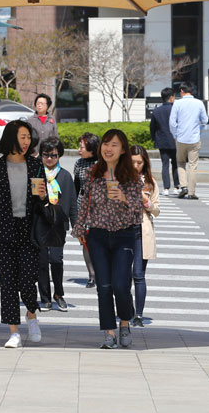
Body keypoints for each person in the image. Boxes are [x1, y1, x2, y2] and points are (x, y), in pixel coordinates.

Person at [0, 120, 44, 348]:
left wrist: (45, 196)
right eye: (22, 137)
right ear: (12, 138)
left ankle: (31, 315)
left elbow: (50, 198)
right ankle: (14, 331)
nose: (26, 142)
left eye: (28, 137)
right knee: (9, 284)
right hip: (3, 231)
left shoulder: (35, 165)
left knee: (27, 280)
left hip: (29, 231)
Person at [72, 129, 144, 349]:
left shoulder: (131, 177)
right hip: (98, 236)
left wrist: (123, 197)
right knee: (103, 286)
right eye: (105, 143)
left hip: (124, 235)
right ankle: (109, 333)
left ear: (122, 149)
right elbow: (84, 203)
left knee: (121, 285)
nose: (108, 148)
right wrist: (79, 230)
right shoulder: (92, 174)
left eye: (114, 144)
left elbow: (138, 212)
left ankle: (125, 321)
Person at [36, 137, 78, 312]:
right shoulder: (37, 174)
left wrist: (76, 225)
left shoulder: (65, 176)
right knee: (42, 261)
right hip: (39, 223)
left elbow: (73, 203)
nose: (49, 159)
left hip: (58, 224)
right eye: (46, 155)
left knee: (56, 259)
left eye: (53, 155)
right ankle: (44, 297)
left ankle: (58, 294)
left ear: (59, 155)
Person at [129, 145, 159, 328]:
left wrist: (146, 202)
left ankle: (139, 315)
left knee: (138, 275)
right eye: (132, 162)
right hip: (122, 231)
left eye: (139, 163)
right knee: (122, 277)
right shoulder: (120, 179)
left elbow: (157, 210)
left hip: (141, 231)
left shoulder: (150, 182)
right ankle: (127, 311)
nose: (135, 166)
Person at [168, 82, 207, 200]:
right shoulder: (199, 103)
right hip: (194, 138)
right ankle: (191, 192)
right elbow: (205, 120)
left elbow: (172, 122)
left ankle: (183, 186)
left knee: (180, 162)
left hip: (180, 138)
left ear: (181, 91)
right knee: (192, 165)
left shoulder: (177, 103)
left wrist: (175, 135)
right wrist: (198, 129)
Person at [73, 132, 100, 288]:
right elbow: (76, 186)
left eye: (82, 147)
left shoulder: (101, 163)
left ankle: (101, 271)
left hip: (99, 207)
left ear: (91, 148)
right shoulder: (78, 163)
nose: (79, 149)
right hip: (82, 205)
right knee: (85, 242)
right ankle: (92, 274)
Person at [149, 87, 181, 196]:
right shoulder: (176, 109)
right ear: (171, 98)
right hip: (175, 141)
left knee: (165, 165)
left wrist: (154, 138)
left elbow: (152, 127)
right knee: (176, 164)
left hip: (162, 141)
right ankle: (176, 186)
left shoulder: (156, 111)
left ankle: (166, 188)